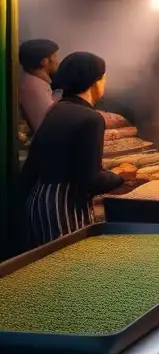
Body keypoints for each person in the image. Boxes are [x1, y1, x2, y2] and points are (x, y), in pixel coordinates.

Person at [20, 52, 125, 249]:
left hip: (39, 203)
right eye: (104, 77)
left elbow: (31, 167)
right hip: (64, 208)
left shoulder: (57, 109)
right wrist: (120, 176)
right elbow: (90, 180)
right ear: (95, 82)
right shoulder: (90, 119)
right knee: (70, 269)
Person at [18, 38, 60, 134]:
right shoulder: (34, 88)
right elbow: (50, 125)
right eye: (54, 56)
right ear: (44, 62)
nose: (57, 61)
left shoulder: (33, 80)